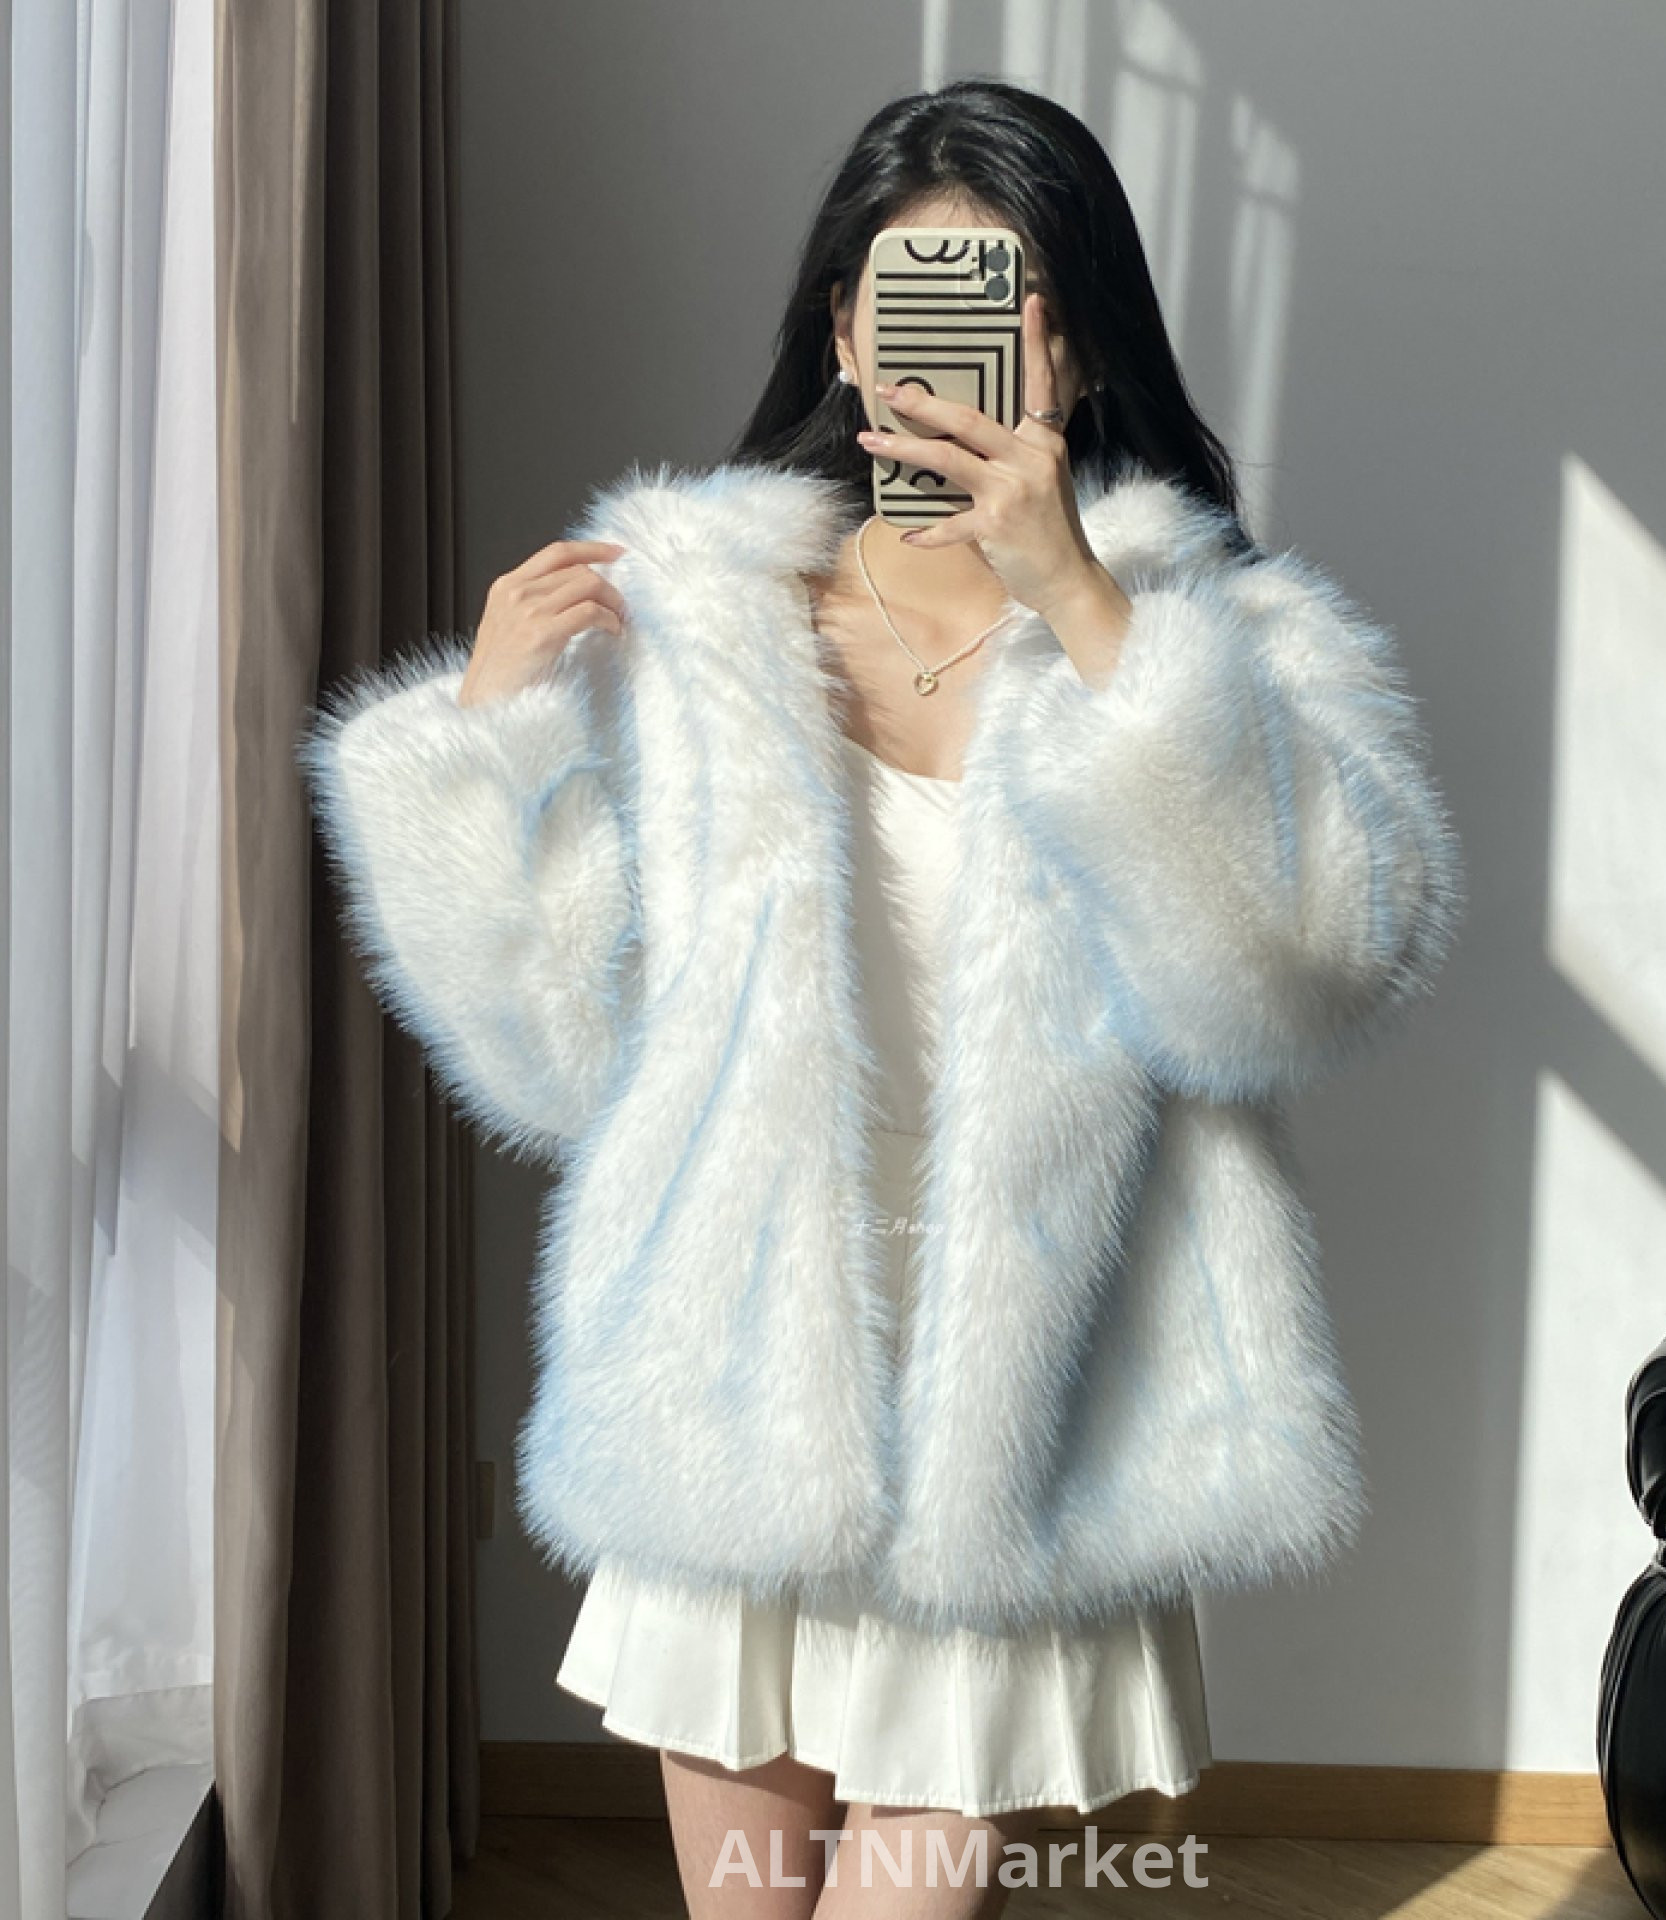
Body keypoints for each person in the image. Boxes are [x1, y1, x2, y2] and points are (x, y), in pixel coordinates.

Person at [299, 78, 1464, 1920]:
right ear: (841, 332)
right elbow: (562, 1057)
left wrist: (1089, 613)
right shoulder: (698, 629)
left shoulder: (1222, 647)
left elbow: (1293, 985)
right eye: (905, 296)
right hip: (742, 1391)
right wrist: (484, 742)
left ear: (1079, 345)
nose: (946, 351)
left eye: (1012, 300)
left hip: (1031, 1420)